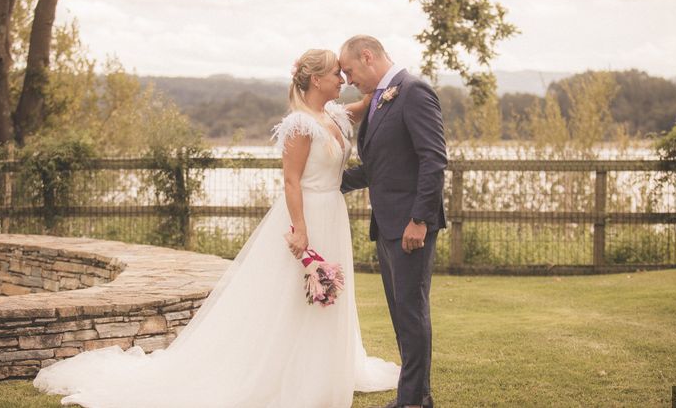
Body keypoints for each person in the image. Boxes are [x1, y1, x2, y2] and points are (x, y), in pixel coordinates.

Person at [33, 48, 399, 407]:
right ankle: (288, 373)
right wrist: (300, 231)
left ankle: (324, 368)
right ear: (317, 79)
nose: (342, 79)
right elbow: (290, 182)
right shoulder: (299, 125)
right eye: (337, 73)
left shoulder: (333, 115)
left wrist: (388, 88)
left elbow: (366, 103)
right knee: (293, 297)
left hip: (333, 213)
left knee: (328, 292)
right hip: (307, 216)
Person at [338, 35, 447, 408]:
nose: (349, 80)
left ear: (367, 57)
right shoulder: (382, 99)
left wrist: (419, 220)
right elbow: (378, 168)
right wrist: (324, 184)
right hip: (387, 225)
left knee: (411, 313)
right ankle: (418, 396)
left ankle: (411, 402)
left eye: (350, 71)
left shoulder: (414, 91)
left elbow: (433, 160)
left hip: (410, 227)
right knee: (403, 315)